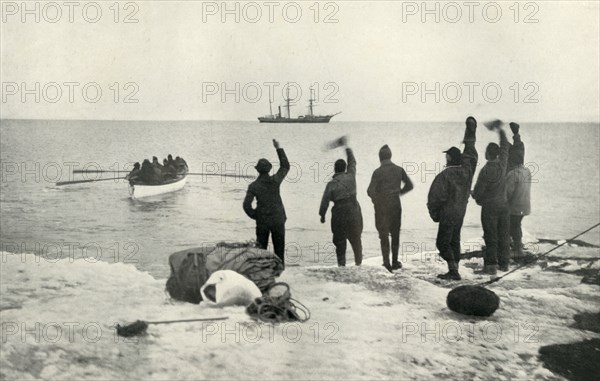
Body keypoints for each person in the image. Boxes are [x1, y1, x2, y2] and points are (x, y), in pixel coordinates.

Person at [427, 117, 478, 280]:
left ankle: (453, 271)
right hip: (460, 212)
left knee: (442, 243)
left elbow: (435, 198)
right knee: (455, 241)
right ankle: (454, 270)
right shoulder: (467, 172)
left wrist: (435, 215)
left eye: (446, 156)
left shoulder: (445, 175)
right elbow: (470, 153)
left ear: (449, 158)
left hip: (448, 213)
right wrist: (471, 130)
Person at [367, 145, 414, 271]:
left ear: (380, 157)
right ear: (390, 156)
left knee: (383, 235)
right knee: (395, 234)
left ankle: (386, 263)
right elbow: (410, 185)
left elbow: (369, 190)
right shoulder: (399, 169)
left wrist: (376, 200)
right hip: (395, 204)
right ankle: (394, 262)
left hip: (382, 206)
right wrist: (399, 193)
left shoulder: (377, 172)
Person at [472, 121, 510, 275]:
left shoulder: (485, 170)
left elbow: (479, 193)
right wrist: (500, 131)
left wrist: (474, 195)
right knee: (504, 236)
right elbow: (506, 147)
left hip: (490, 208)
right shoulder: (502, 164)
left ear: (487, 154)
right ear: (498, 154)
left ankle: (490, 267)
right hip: (504, 205)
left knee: (491, 237)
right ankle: (504, 265)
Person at [243, 139, 290, 264]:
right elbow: (285, 166)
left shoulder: (253, 186)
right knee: (279, 250)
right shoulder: (275, 181)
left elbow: (246, 206)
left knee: (261, 251)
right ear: (269, 169)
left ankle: (262, 273)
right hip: (278, 219)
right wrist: (278, 148)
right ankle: (279, 273)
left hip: (262, 220)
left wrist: (256, 215)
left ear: (257, 170)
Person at [319, 138, 363, 268]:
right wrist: (347, 147)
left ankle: (341, 266)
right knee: (356, 240)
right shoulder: (351, 176)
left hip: (339, 214)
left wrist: (322, 215)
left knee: (339, 241)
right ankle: (359, 264)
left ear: (334, 169)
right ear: (344, 168)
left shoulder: (331, 184)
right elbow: (353, 161)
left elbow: (325, 201)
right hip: (354, 211)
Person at [505, 122, 531, 260]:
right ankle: (517, 246)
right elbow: (519, 149)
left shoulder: (512, 174)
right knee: (516, 226)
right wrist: (516, 134)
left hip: (515, 207)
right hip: (524, 206)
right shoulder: (526, 171)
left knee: (511, 226)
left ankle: (516, 249)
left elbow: (507, 194)